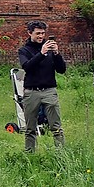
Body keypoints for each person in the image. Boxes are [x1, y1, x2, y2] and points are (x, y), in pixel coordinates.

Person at [18, 20, 66, 152]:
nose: (41, 36)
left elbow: (61, 69)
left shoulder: (50, 49)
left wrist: (56, 54)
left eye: (43, 33)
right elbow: (27, 66)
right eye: (38, 33)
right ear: (30, 33)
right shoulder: (24, 50)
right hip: (31, 92)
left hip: (49, 90)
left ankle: (61, 153)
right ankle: (29, 153)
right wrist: (41, 53)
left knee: (56, 126)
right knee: (30, 128)